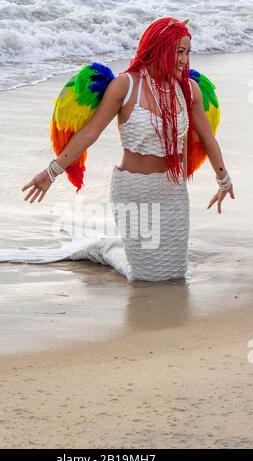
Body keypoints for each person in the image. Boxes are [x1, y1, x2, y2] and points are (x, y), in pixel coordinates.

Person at [21, 17, 235, 282]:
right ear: (159, 47)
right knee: (147, 276)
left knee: (174, 274)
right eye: (179, 51)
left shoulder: (188, 90)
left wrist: (223, 178)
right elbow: (90, 132)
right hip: (133, 191)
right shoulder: (125, 85)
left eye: (188, 52)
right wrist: (51, 171)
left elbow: (207, 138)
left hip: (172, 191)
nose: (184, 59)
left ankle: (113, 248)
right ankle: (104, 249)